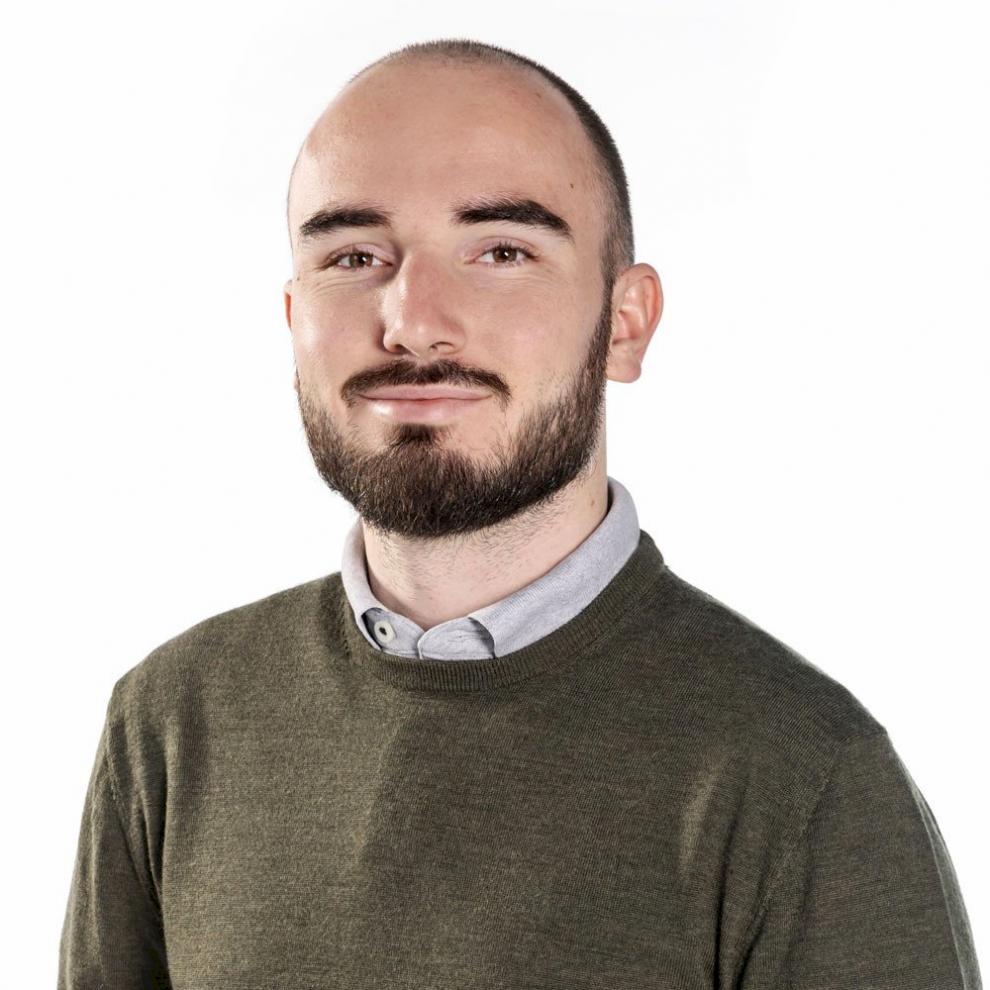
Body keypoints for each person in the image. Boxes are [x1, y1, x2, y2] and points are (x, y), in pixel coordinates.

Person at [58, 38, 982, 989]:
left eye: (502, 251)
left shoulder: (804, 776)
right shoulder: (170, 722)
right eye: (354, 255)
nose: (413, 321)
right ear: (294, 318)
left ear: (625, 324)